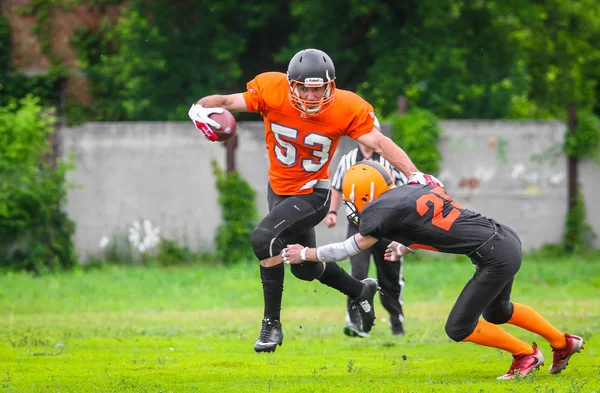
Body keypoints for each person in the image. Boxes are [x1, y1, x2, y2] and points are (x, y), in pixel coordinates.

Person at [188, 48, 443, 353]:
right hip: (279, 190)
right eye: (304, 88)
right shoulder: (271, 88)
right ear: (291, 84)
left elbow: (379, 142)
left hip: (314, 192)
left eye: (317, 88)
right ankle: (360, 290)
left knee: (263, 238)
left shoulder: (346, 107)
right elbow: (227, 102)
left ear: (330, 86)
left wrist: (414, 173)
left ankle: (271, 325)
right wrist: (199, 109)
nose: (310, 96)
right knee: (305, 268)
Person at [282, 161, 585, 379]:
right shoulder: (415, 187)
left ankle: (525, 355)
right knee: (498, 311)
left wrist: (306, 252)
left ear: (361, 194)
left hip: (494, 255)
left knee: (458, 327)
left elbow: (348, 248)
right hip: (504, 238)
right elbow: (437, 224)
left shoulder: (378, 212)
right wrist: (406, 245)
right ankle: (563, 342)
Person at [327, 142, 407, 337]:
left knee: (390, 276)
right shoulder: (348, 159)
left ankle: (396, 321)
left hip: (387, 226)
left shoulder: (390, 158)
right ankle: (354, 322)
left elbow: (404, 190)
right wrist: (332, 212)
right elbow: (337, 187)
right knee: (357, 273)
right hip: (358, 225)